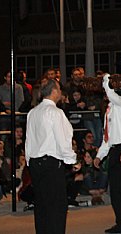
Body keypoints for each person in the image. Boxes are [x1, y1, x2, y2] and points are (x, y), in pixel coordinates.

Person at [25, 79, 77, 234]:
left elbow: (29, 140)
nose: (61, 92)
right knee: (56, 207)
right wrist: (72, 160)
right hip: (50, 165)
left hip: (35, 163)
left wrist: (29, 161)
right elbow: (63, 139)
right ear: (54, 91)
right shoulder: (55, 112)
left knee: (41, 206)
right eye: (59, 89)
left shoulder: (33, 112)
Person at [96, 74, 121, 234]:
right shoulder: (109, 111)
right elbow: (108, 138)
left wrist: (105, 80)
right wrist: (100, 155)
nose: (106, 94)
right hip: (114, 150)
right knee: (115, 190)